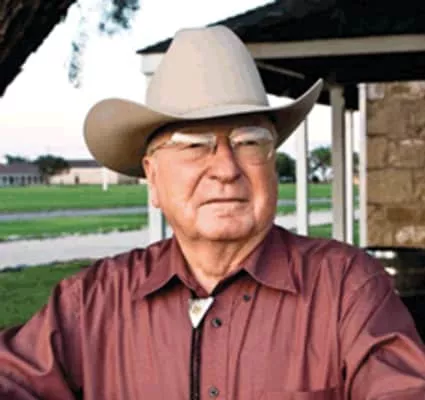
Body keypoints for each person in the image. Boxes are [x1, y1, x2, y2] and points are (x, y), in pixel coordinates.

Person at [0, 25, 425, 400]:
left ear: (272, 167)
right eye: (193, 144)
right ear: (153, 177)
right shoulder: (92, 302)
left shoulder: (345, 288)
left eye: (249, 141)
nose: (225, 169)